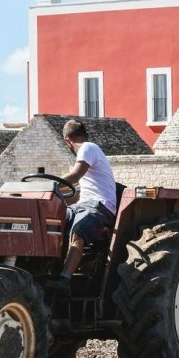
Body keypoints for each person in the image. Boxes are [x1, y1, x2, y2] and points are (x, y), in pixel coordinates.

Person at [56, 118, 117, 281]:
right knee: (53, 222)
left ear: (67, 141)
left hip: (100, 206)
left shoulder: (88, 147)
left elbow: (75, 176)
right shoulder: (90, 152)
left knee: (78, 231)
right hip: (83, 204)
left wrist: (50, 185)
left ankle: (64, 278)